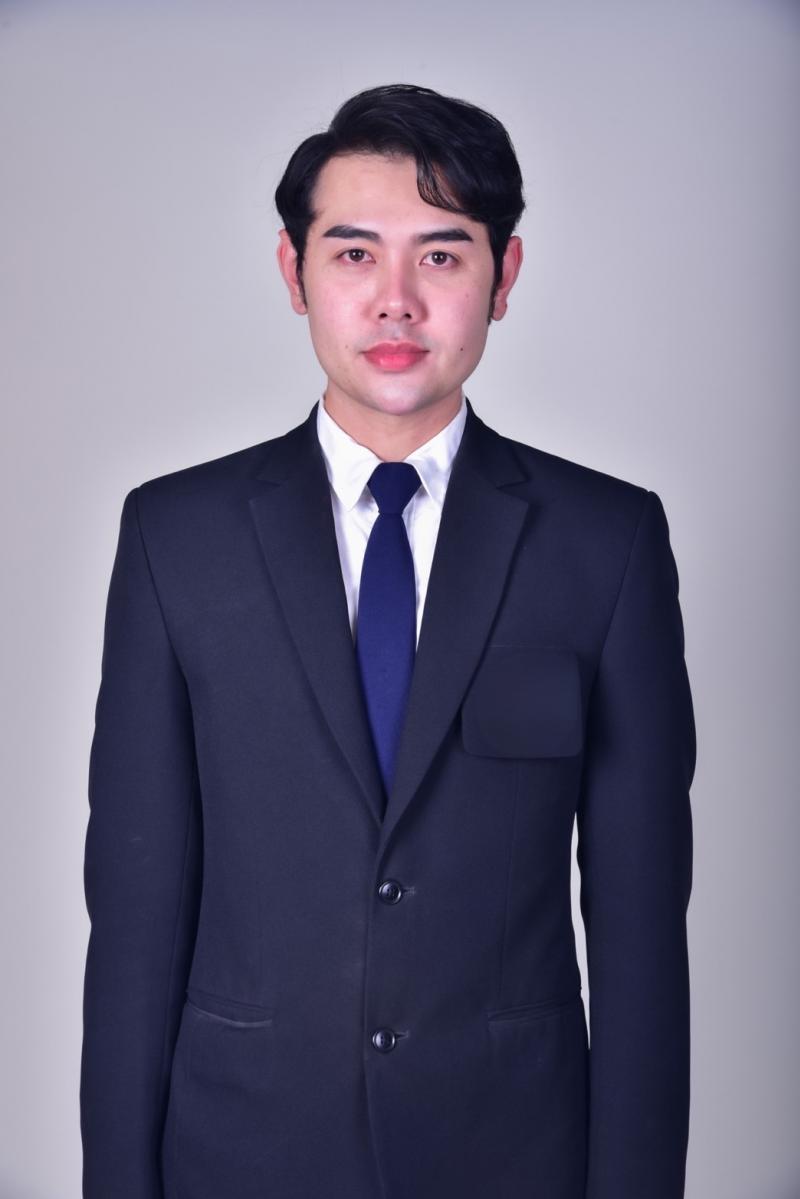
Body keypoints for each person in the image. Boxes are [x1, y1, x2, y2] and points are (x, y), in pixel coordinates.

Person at [80, 83, 696, 1199]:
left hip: (512, 1155)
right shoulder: (177, 537)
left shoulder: (604, 544)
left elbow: (642, 928)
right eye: (355, 253)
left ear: (503, 277)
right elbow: (135, 918)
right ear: (294, 271)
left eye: (442, 255)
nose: (396, 300)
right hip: (240, 1151)